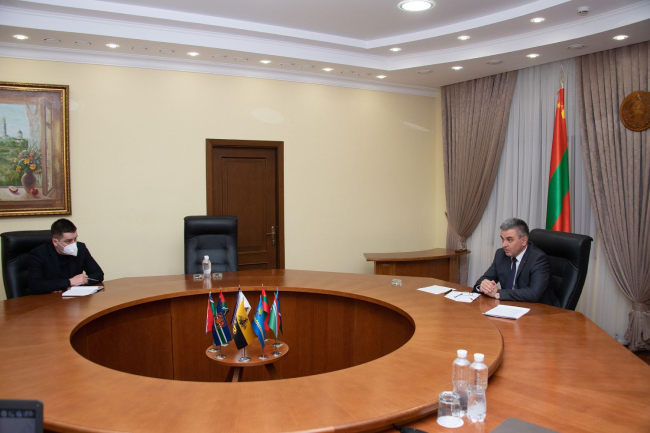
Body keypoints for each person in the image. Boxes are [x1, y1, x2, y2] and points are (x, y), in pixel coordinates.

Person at [474, 218, 559, 307]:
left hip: (540, 310)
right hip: (510, 306)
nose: (504, 245)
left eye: (509, 240)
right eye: (503, 239)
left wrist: (498, 293)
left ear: (524, 241)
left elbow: (534, 294)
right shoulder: (501, 254)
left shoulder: (538, 259)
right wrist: (483, 286)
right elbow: (485, 279)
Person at [28, 218, 104, 295]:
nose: (73, 244)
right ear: (55, 242)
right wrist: (70, 282)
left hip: (75, 298)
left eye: (75, 239)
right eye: (68, 241)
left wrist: (79, 283)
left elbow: (98, 274)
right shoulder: (39, 253)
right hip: (50, 299)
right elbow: (35, 285)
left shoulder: (81, 248)